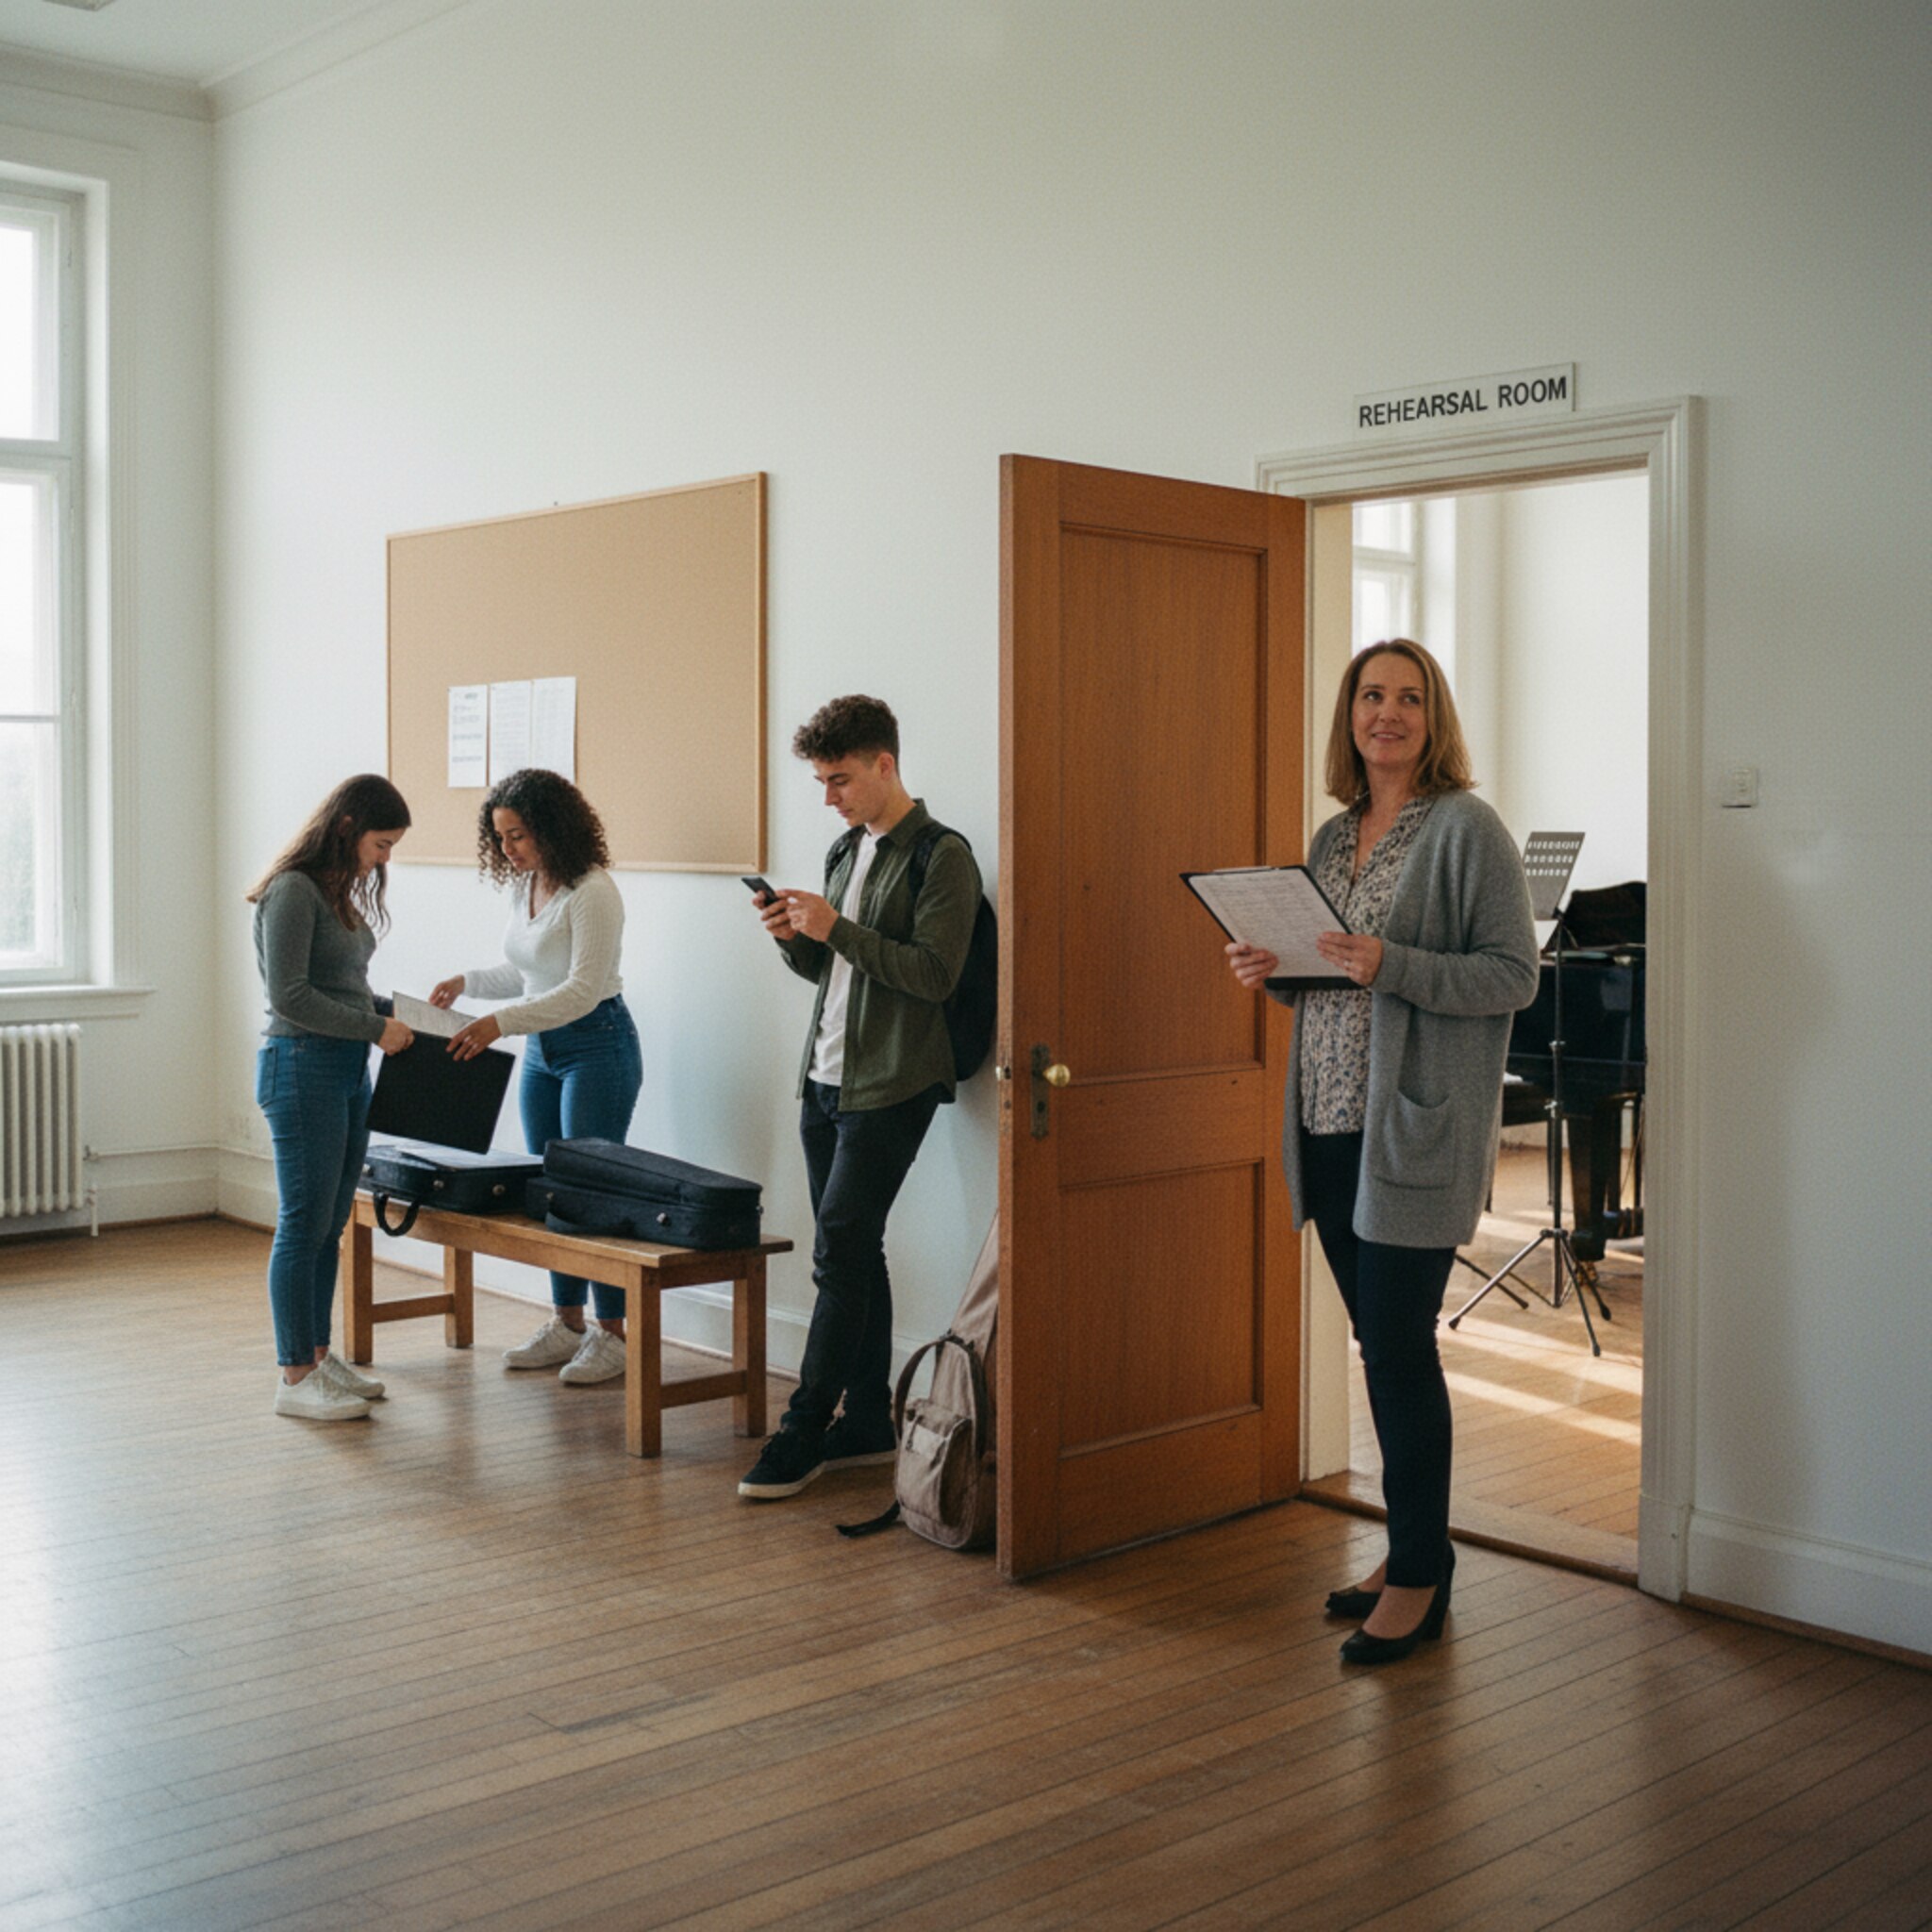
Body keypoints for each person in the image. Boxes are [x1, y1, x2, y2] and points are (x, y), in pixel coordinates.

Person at [1226, 640, 1538, 1663]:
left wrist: (1391, 962)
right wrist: (1273, 970)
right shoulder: (1329, 837)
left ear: (1432, 716)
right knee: (1380, 1344)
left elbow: (1513, 975)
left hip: (1410, 1129)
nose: (1387, 713)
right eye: (1371, 695)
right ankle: (1413, 1546)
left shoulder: (1466, 829)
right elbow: (1330, 978)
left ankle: (1417, 1577)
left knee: (1401, 1349)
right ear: (1349, 714)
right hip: (1323, 1124)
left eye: (1409, 697)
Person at [738, 694, 981, 1500]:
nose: (829, 797)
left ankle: (803, 1428)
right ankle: (871, 1421)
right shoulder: (847, 850)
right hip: (825, 1077)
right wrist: (794, 939)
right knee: (855, 1248)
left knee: (839, 1250)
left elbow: (934, 975)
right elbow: (831, 971)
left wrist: (836, 927)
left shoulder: (942, 855)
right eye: (820, 781)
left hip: (894, 1081)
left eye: (839, 779)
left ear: (885, 764)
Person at [431, 768, 641, 1386]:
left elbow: (579, 990)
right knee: (551, 1190)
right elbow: (527, 973)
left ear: (552, 828)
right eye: (499, 837)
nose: (507, 849)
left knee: (591, 1192)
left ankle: (614, 1334)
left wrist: (499, 1023)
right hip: (543, 1050)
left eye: (517, 835)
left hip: (597, 1045)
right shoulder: (525, 885)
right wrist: (467, 983)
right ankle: (567, 1323)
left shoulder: (593, 892)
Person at [248, 774, 415, 1422]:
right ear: (347, 828)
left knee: (329, 1224)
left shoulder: (333, 892)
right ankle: (295, 1376)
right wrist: (376, 1028)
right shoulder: (291, 891)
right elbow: (290, 997)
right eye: (382, 844)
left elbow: (342, 988)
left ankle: (317, 1355)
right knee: (303, 1224)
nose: (384, 859)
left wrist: (398, 1013)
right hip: (301, 1068)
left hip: (345, 1069)